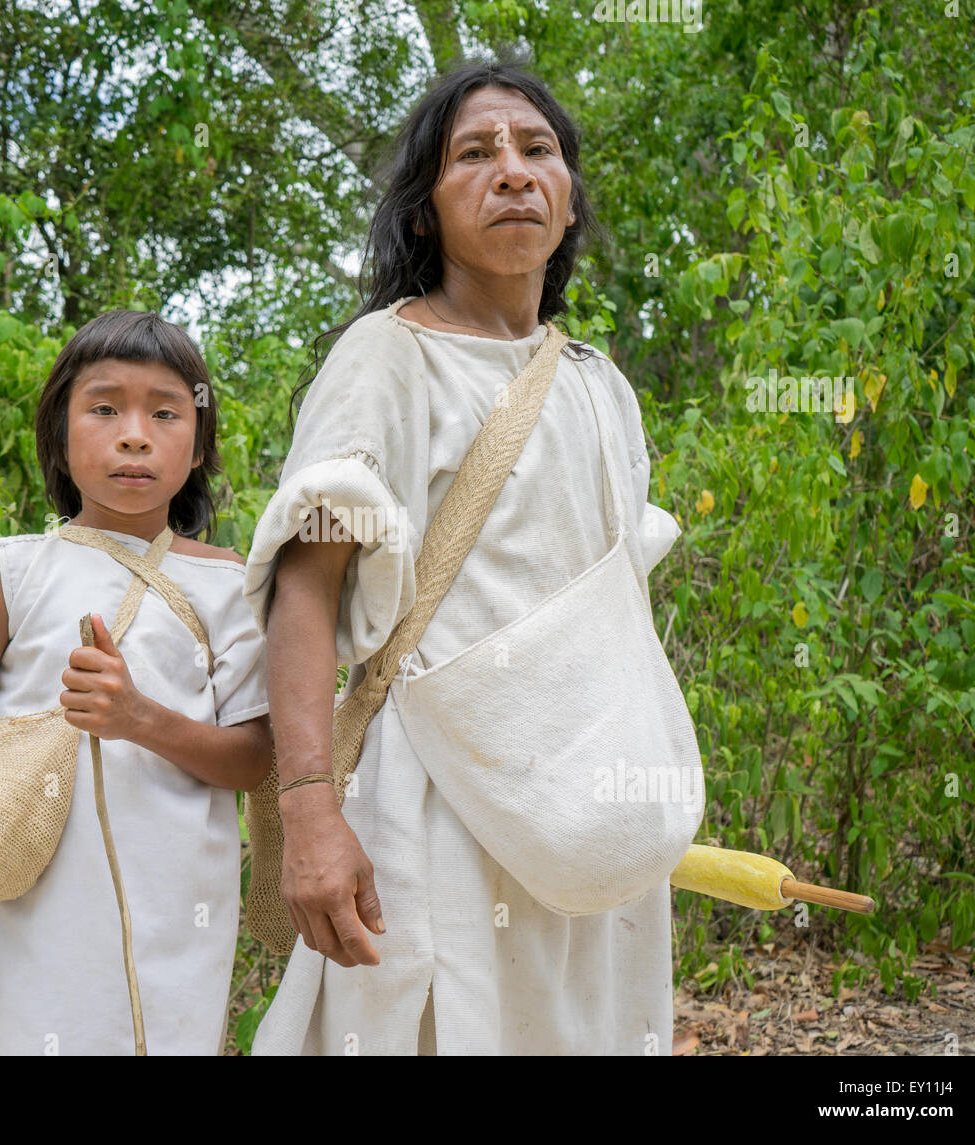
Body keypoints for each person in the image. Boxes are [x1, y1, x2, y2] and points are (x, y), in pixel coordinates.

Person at [241, 62, 685, 1055]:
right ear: (422, 215)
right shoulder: (386, 355)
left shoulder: (600, 385)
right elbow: (304, 594)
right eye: (474, 154)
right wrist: (310, 812)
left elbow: (612, 628)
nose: (514, 172)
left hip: (584, 815)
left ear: (567, 201)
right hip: (429, 801)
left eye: (538, 151)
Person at [0, 310, 273, 1055]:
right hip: (34, 933)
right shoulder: (13, 571)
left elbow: (256, 758)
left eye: (166, 411)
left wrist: (140, 719)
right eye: (103, 407)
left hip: (183, 932)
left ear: (197, 444)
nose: (134, 433)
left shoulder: (229, 586)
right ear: (60, 432)